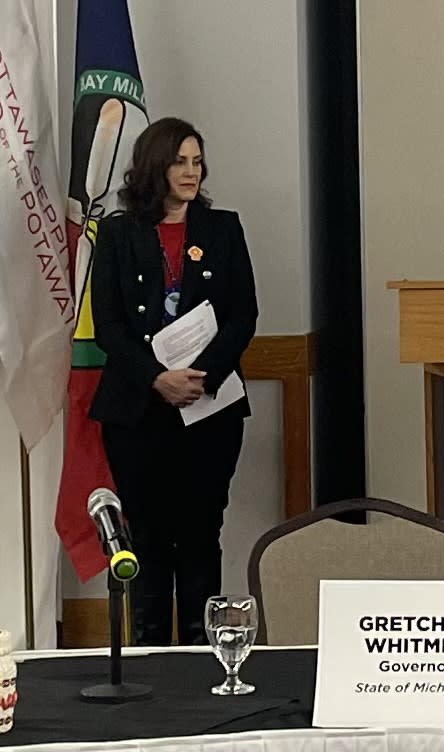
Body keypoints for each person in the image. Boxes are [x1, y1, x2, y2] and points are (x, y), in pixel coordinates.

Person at [90, 117, 258, 646]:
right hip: (138, 413)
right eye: (180, 161)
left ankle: (204, 655)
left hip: (208, 410)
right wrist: (157, 379)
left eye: (197, 161)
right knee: (148, 539)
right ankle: (149, 657)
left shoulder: (222, 228)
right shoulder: (118, 233)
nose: (191, 172)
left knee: (201, 535)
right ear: (153, 166)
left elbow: (243, 315)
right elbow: (108, 325)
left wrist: (199, 377)